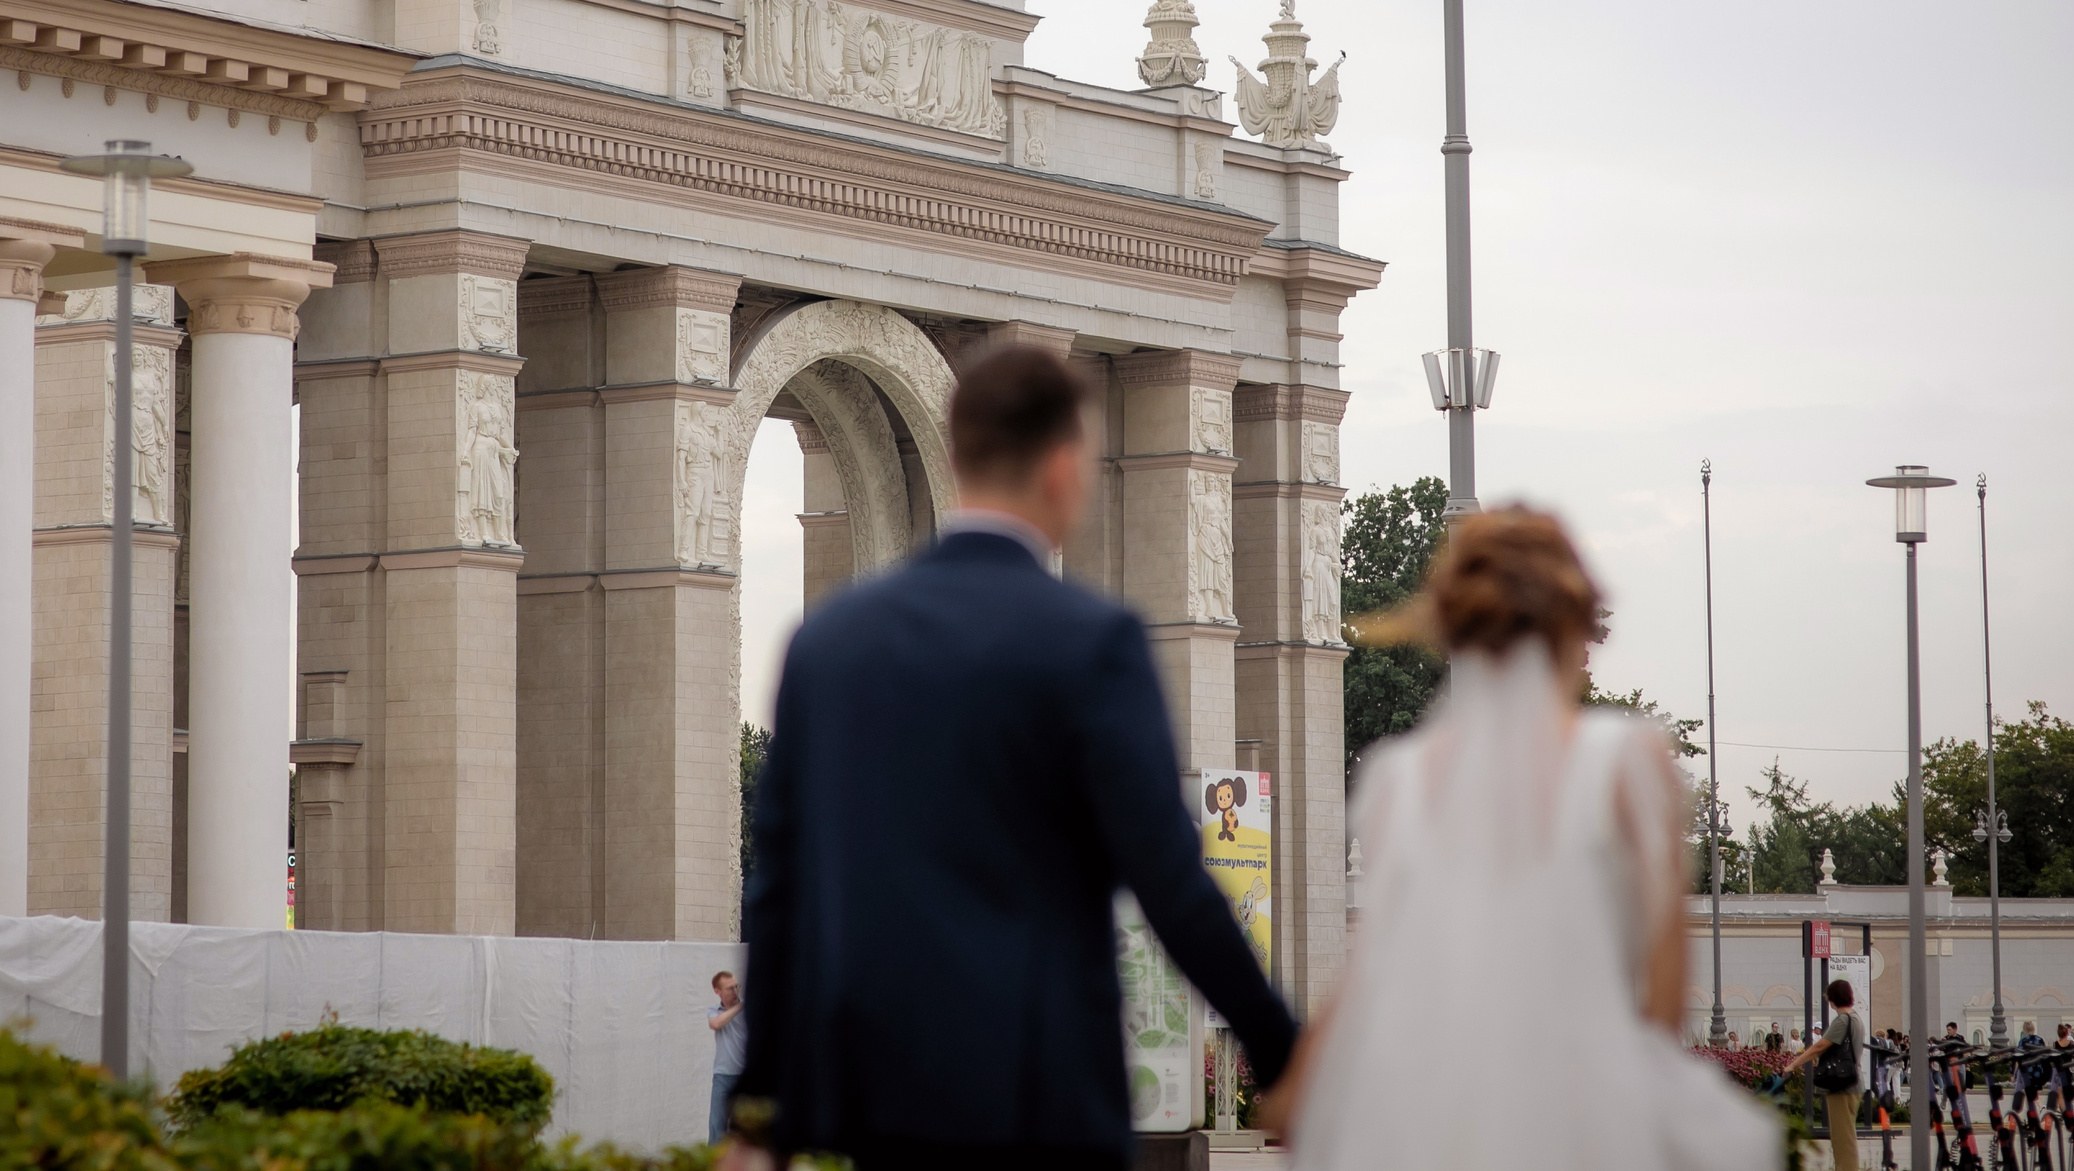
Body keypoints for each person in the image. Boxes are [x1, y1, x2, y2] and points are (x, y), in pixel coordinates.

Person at [724, 346, 1297, 1171]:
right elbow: (1169, 876)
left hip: (877, 1096)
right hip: (1041, 1093)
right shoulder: (1093, 641)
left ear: (956, 459)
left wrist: (760, 1112)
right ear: (1064, 467)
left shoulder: (829, 644)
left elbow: (777, 891)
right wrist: (1279, 1047)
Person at [1268, 507, 1778, 1171]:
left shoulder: (1398, 779)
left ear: (1453, 627)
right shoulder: (1626, 762)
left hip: (1426, 1125)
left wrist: (1298, 1088)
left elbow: (1367, 977)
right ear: (1575, 627)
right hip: (1589, 1122)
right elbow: (1660, 1000)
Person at [1787, 977, 1867, 1171]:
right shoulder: (1855, 1018)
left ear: (1832, 999)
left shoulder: (1842, 1020)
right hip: (1852, 1082)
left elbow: (1820, 1046)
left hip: (1841, 1086)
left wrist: (1793, 1065)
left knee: (1842, 1139)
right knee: (1845, 1136)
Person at [707, 971, 747, 1141]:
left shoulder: (749, 1010)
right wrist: (739, 1007)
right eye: (730, 988)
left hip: (745, 1077)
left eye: (736, 987)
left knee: (746, 1127)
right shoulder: (714, 1011)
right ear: (718, 991)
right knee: (717, 1125)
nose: (735, 991)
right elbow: (716, 1024)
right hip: (723, 1076)